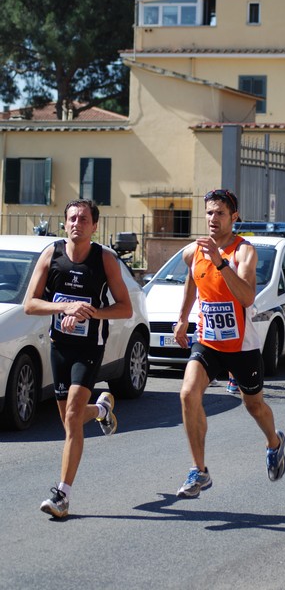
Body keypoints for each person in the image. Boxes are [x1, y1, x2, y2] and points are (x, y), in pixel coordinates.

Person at [173, 189, 285, 498]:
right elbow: (192, 281)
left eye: (220, 213)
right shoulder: (194, 250)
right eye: (209, 212)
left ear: (234, 217)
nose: (213, 218)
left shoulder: (244, 251)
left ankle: (274, 443)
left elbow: (247, 297)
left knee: (254, 406)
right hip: (208, 342)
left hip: (242, 347)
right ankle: (200, 471)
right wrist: (183, 318)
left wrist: (221, 262)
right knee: (187, 395)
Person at [24, 199, 133, 518]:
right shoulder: (52, 254)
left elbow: (125, 307)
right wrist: (64, 307)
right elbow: (30, 304)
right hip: (59, 346)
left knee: (72, 417)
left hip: (89, 347)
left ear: (95, 226)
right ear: (65, 223)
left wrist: (92, 312)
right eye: (72, 218)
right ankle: (101, 408)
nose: (77, 223)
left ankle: (62, 495)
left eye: (84, 219)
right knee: (69, 418)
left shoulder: (105, 259)